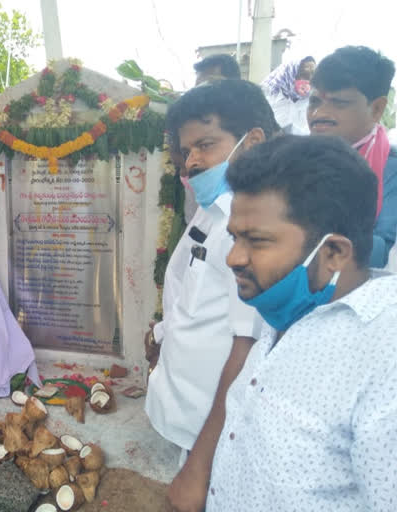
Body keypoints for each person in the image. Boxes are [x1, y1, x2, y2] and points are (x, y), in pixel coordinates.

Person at [208, 135, 397, 511]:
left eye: (256, 241)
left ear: (333, 253)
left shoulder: (385, 364)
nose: (233, 257)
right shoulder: (290, 306)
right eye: (234, 237)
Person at [145, 80, 280, 512]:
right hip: (186, 413)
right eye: (187, 151)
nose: (193, 161)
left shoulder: (254, 229)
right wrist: (163, 332)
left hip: (214, 435)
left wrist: (200, 467)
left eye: (205, 144)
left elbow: (247, 347)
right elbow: (196, 293)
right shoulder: (213, 206)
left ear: (252, 141)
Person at [308, 46, 397, 268]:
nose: (319, 114)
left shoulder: (391, 170)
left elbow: (380, 251)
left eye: (338, 103)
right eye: (315, 102)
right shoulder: (290, 160)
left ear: (376, 109)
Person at [261, 57, 316, 135]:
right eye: (304, 75)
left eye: (312, 76)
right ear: (290, 74)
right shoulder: (270, 99)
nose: (308, 80)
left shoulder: (313, 102)